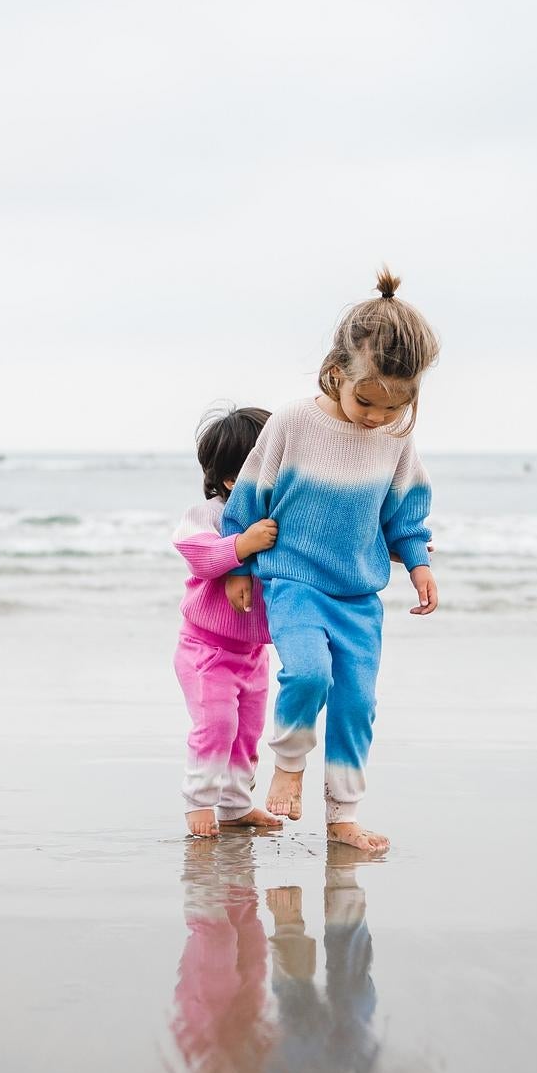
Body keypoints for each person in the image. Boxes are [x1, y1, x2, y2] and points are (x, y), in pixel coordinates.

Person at [220, 269, 440, 853]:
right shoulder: (295, 422)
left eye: (392, 407)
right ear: (336, 372)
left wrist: (417, 563)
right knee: (309, 674)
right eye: (365, 401)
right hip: (293, 582)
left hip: (359, 597)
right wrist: (239, 567)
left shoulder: (396, 440)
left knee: (356, 703)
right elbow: (246, 502)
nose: (374, 417)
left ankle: (343, 814)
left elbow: (405, 513)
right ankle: (288, 763)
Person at [172, 405, 287, 837]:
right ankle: (199, 802)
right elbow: (200, 557)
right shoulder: (210, 515)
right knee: (216, 725)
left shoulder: (282, 519)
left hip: (253, 652)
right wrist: (241, 545)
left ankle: (236, 805)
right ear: (228, 480)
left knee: (248, 732)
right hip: (206, 650)